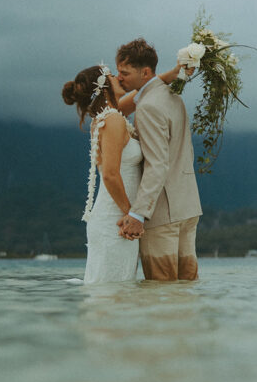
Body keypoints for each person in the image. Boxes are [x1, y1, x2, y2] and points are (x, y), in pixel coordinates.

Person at [62, 59, 182, 284]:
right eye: (112, 76)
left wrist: (174, 73)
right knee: (113, 291)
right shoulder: (113, 120)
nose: (118, 77)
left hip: (115, 215)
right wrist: (131, 215)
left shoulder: (110, 115)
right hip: (116, 218)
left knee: (115, 292)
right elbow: (110, 174)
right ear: (104, 86)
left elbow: (142, 91)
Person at [116, 38, 202, 281]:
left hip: (163, 211)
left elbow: (157, 164)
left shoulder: (148, 106)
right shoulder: (173, 96)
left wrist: (138, 214)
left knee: (160, 290)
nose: (119, 78)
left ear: (145, 72)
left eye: (125, 73)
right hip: (187, 205)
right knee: (185, 290)